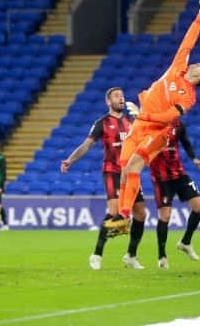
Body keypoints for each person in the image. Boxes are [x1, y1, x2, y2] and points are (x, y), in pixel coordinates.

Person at [104, 0, 200, 233]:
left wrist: (142, 116)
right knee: (125, 168)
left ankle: (123, 218)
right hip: (142, 123)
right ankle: (123, 218)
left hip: (158, 131)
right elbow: (189, 41)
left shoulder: (189, 97)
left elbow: (166, 118)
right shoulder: (179, 67)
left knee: (133, 166)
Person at [61, 87, 146, 270]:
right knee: (115, 211)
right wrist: (70, 160)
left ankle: (131, 255)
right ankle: (97, 254)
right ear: (109, 102)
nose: (121, 98)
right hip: (112, 172)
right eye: (116, 96)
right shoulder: (102, 123)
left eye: (122, 95)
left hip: (130, 173)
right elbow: (86, 145)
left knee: (140, 213)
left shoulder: (132, 121)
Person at [149, 118, 200, 269]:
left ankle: (185, 242)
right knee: (165, 216)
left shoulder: (177, 123)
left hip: (179, 174)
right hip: (161, 179)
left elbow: (185, 142)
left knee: (199, 207)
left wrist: (194, 159)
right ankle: (162, 256)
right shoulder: (150, 123)